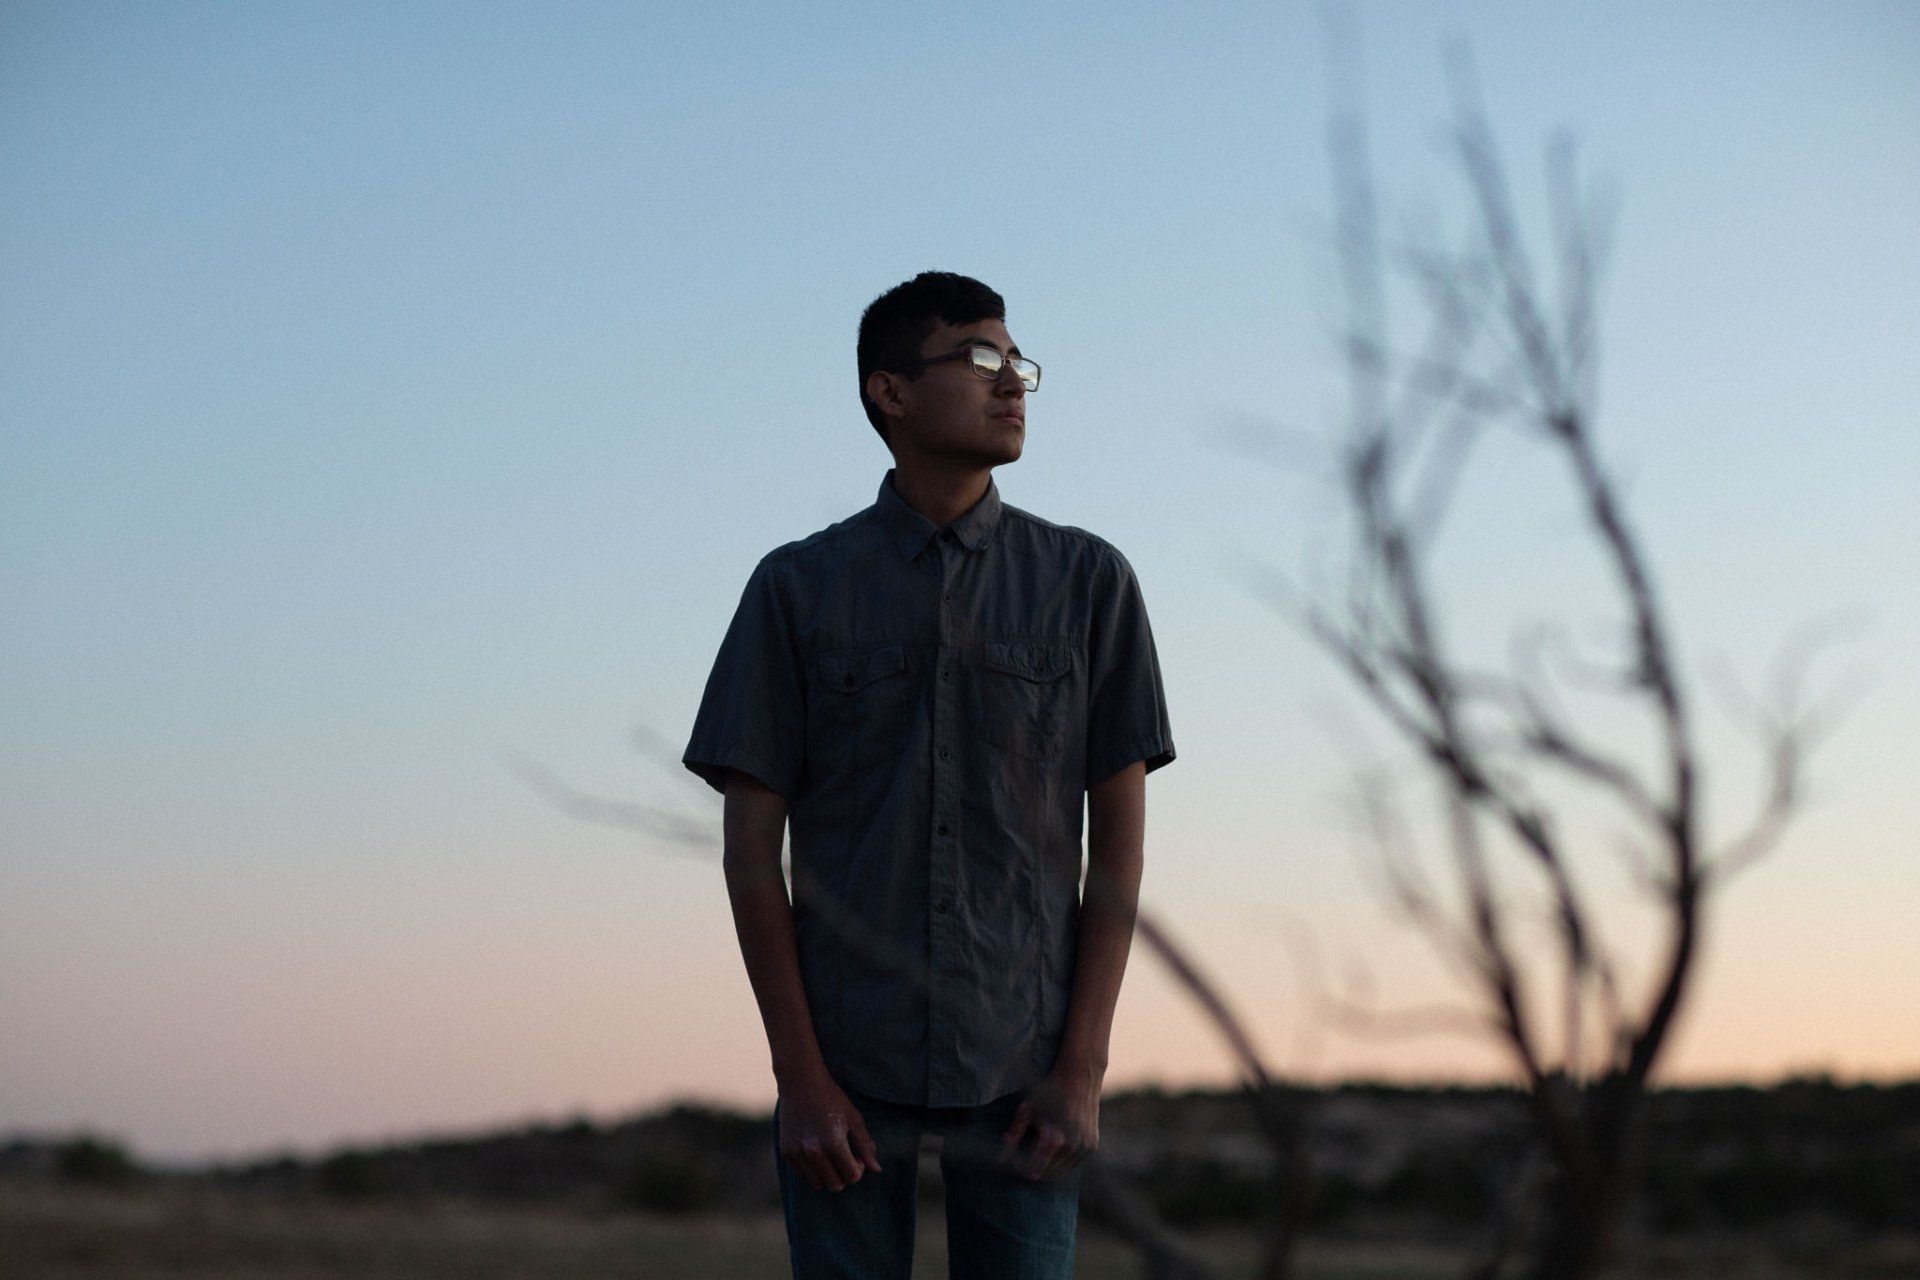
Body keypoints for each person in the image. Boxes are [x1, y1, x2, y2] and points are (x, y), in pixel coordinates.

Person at [682, 270, 1175, 1278]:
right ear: (889, 393)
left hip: (1026, 1074)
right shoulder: (796, 587)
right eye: (980, 358)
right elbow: (747, 854)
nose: (1015, 384)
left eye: (1020, 362)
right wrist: (802, 1078)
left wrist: (1082, 1069)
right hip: (847, 1073)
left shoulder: (1089, 582)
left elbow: (1119, 848)